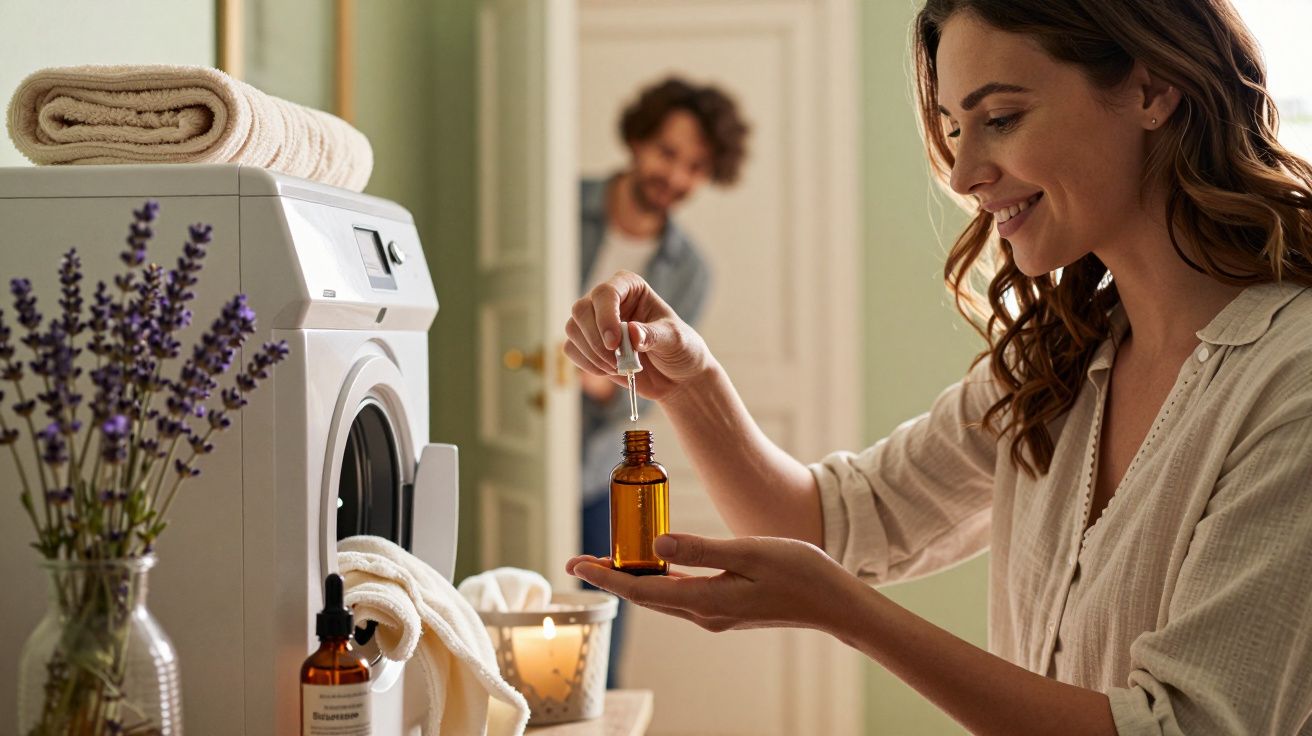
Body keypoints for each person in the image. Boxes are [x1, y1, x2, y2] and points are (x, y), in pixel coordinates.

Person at [561, 0, 1312, 733]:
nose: (962, 173)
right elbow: (827, 524)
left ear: (1150, 90)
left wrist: (849, 615)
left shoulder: (1291, 382)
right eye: (955, 129)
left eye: (1002, 118)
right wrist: (691, 383)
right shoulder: (1057, 360)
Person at [577, 76, 749, 688]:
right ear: (637, 140)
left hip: (597, 471)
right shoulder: (559, 205)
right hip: (522, 444)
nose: (675, 176)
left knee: (601, 641)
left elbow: (655, 385)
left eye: (695, 167)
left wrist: (600, 381)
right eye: (667, 152)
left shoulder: (692, 271)